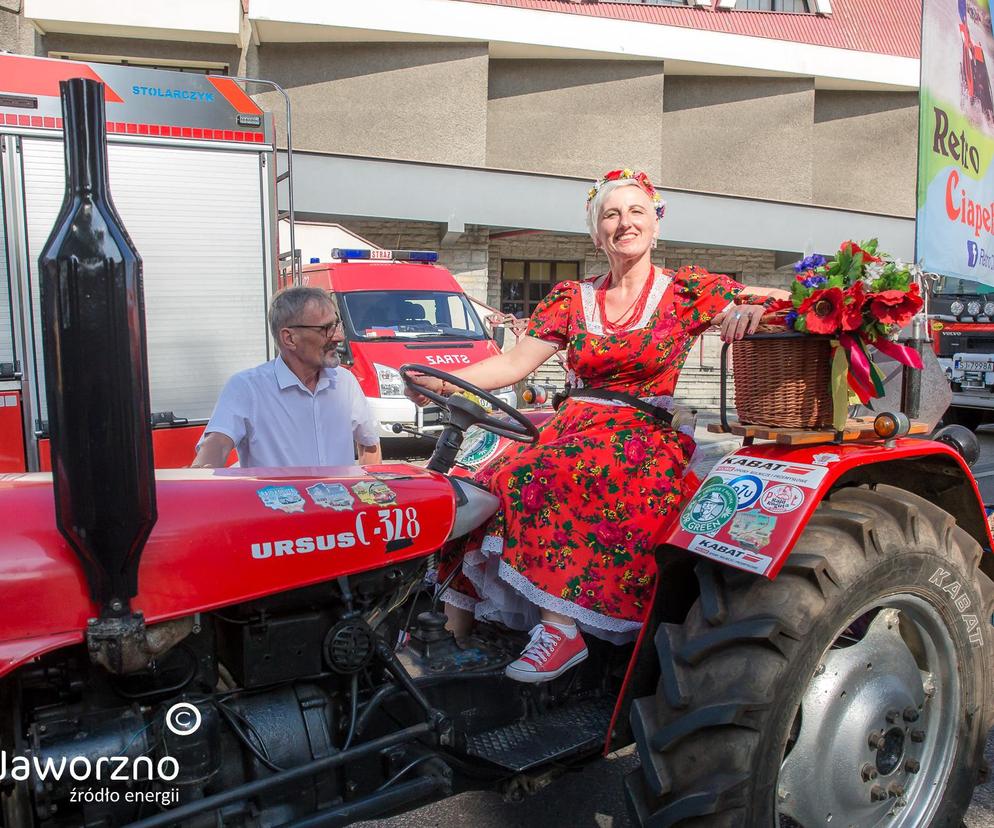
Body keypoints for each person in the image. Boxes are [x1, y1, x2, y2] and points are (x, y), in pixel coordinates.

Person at [407, 168, 787, 683]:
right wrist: (446, 380)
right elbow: (514, 363)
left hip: (643, 437)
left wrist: (750, 309)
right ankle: (447, 640)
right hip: (572, 426)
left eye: (636, 212)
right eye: (611, 214)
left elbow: (790, 303)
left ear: (656, 224)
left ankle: (560, 631)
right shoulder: (570, 298)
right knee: (471, 486)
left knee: (535, 475)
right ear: (595, 231)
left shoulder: (688, 290)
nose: (624, 223)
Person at [192, 286, 382, 469]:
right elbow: (218, 443)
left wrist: (372, 497)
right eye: (326, 328)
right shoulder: (247, 388)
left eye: (337, 325)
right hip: (277, 503)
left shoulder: (344, 382)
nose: (339, 336)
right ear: (289, 339)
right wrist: (199, 480)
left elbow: (369, 445)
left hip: (342, 503)